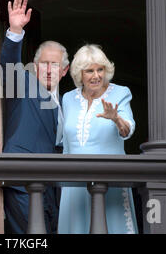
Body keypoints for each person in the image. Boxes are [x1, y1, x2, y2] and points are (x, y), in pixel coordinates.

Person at [1, 0, 69, 234]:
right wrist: (15, 30)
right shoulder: (24, 83)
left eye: (55, 65)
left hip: (55, 186)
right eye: (44, 63)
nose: (49, 70)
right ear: (34, 65)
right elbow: (9, 65)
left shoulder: (68, 102)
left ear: (64, 70)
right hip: (24, 180)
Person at [58, 44, 138, 234]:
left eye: (100, 69)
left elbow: (128, 130)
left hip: (110, 178)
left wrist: (116, 118)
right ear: (79, 74)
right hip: (74, 183)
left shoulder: (121, 93)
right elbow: (66, 144)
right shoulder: (68, 98)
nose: (96, 76)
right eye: (89, 71)